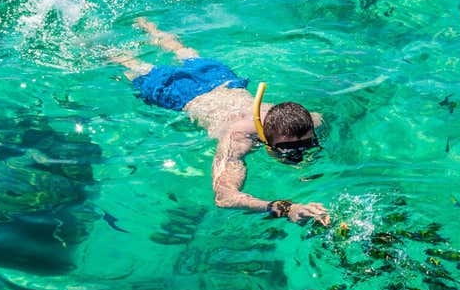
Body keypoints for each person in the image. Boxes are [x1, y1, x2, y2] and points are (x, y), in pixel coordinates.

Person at [113, 18, 330, 226]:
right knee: (132, 65)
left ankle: (147, 25)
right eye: (287, 149)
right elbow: (224, 197)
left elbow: (321, 118)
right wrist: (285, 208)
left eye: (308, 144)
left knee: (184, 51)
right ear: (264, 137)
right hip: (183, 94)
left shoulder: (310, 120)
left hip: (222, 79)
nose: (299, 154)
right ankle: (93, 42)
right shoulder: (238, 139)